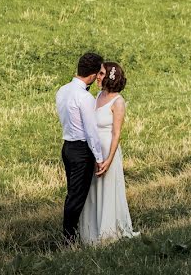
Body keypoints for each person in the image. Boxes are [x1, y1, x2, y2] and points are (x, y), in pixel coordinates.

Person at [79, 61, 138, 244]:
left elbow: (116, 133)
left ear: (111, 76)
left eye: (102, 73)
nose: (98, 76)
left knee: (107, 189)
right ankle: (91, 231)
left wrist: (109, 159)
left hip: (108, 150)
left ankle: (108, 232)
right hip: (94, 149)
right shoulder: (97, 96)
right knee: (92, 190)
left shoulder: (118, 101)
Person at [56, 52, 106, 244]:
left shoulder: (62, 90)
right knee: (76, 197)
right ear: (93, 75)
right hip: (81, 150)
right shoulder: (84, 97)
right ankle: (69, 238)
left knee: (73, 192)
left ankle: (74, 233)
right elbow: (91, 131)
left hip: (67, 147)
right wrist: (99, 158)